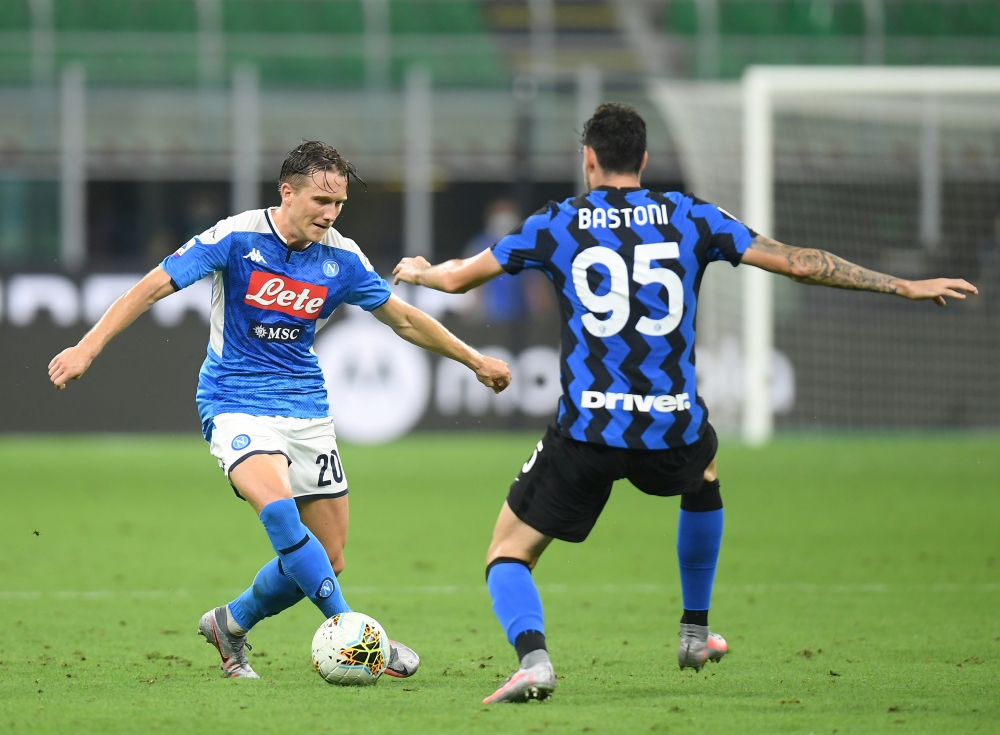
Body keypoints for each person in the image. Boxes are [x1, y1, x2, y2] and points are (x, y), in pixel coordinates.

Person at [392, 103, 978, 703]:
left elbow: (460, 278)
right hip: (673, 425)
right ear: (644, 161)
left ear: (587, 160)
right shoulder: (691, 215)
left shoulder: (557, 222)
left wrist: (420, 272)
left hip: (588, 428)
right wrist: (902, 285)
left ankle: (535, 661)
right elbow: (798, 264)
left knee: (507, 553)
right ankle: (694, 634)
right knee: (705, 474)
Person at [48, 141, 512, 680]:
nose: (330, 214)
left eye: (338, 205)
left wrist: (474, 359)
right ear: (286, 191)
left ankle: (230, 624)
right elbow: (152, 287)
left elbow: (404, 320)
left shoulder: (341, 257)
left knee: (328, 557)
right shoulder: (235, 237)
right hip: (234, 401)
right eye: (321, 200)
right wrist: (87, 347)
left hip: (306, 408)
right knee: (278, 510)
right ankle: (357, 634)